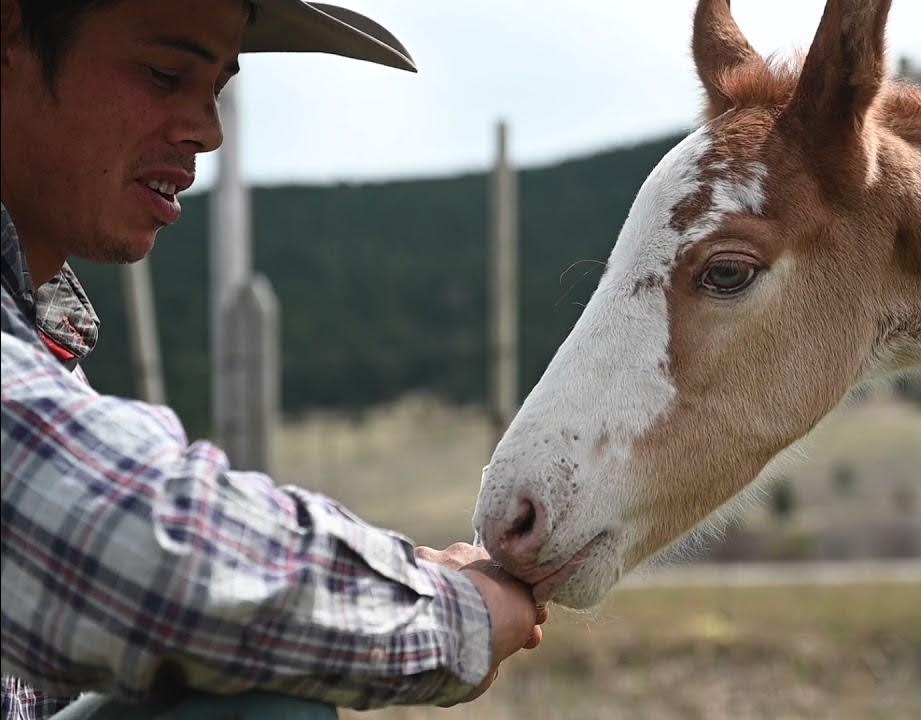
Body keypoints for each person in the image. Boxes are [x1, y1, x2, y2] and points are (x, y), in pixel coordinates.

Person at [0, 1, 546, 718]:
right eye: (165, 74)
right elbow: (143, 547)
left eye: (216, 89)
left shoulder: (43, 340)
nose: (209, 132)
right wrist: (455, 613)